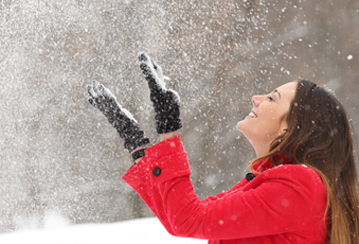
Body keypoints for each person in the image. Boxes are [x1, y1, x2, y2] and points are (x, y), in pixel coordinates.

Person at [86, 52, 359, 244]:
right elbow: (179, 218)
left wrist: (169, 128)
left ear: (290, 128)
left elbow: (188, 220)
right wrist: (137, 145)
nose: (256, 98)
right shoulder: (277, 181)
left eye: (272, 98)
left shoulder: (299, 186)